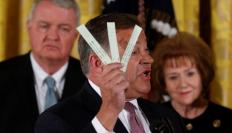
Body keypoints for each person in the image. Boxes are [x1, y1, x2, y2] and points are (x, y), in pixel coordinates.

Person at [35, 13, 185, 133]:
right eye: (133, 52)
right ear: (98, 64)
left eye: (146, 50)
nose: (149, 59)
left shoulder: (168, 117)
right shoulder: (56, 121)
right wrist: (109, 112)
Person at [0, 0, 86, 133]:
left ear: (75, 36)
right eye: (44, 26)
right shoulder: (2, 76)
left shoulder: (92, 80)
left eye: (64, 28)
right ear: (29, 28)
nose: (52, 36)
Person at [151, 32, 232, 133]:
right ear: (163, 82)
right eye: (173, 77)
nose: (183, 84)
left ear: (203, 74)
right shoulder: (152, 119)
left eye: (190, 74)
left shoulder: (230, 120)